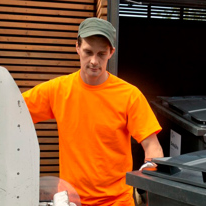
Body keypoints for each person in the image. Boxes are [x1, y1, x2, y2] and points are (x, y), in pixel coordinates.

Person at [22, 17, 164, 206]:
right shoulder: (58, 90)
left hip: (117, 201)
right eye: (88, 52)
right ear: (77, 48)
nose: (94, 61)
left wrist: (150, 171)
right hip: (71, 201)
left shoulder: (129, 95)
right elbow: (13, 111)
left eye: (101, 54)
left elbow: (152, 145)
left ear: (111, 52)